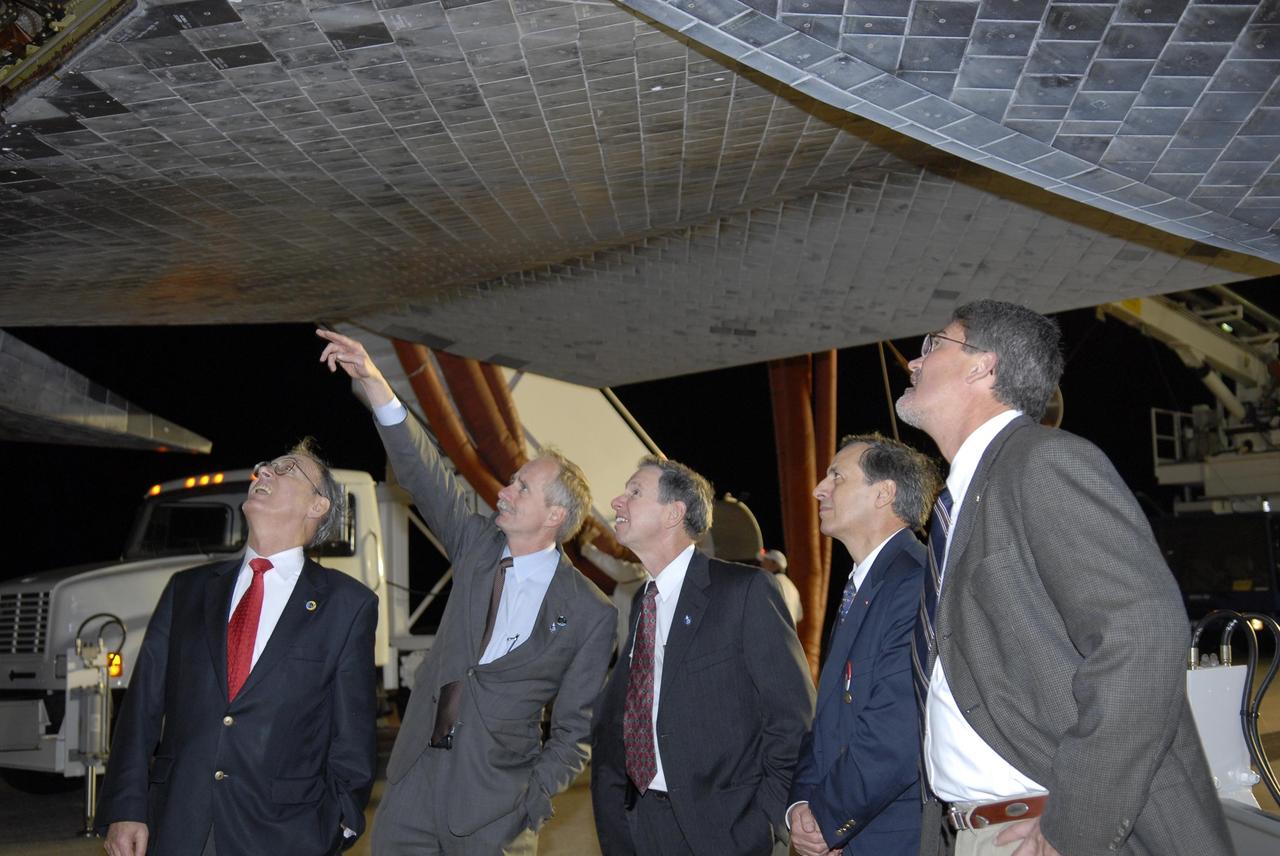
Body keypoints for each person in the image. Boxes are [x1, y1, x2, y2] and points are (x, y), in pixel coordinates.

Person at [897, 300, 1232, 856]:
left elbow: (1142, 636)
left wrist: (1074, 826)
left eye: (934, 345)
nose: (913, 361)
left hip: (1045, 832)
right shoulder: (964, 498)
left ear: (983, 366)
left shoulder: (1042, 463)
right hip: (980, 831)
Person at [317, 329, 616, 855]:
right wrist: (376, 384)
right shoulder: (477, 544)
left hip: (495, 809)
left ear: (555, 515)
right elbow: (426, 473)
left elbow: (576, 732)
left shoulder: (591, 612)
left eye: (522, 486)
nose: (504, 489)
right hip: (411, 787)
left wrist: (530, 799)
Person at [97, 441, 378, 856]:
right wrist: (126, 807)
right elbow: (141, 710)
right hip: (178, 824)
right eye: (265, 465)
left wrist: (339, 824)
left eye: (285, 470)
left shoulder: (347, 605)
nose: (263, 472)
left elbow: (352, 738)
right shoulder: (187, 590)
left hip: (285, 834)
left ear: (318, 506)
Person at [591, 456, 815, 856]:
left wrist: (766, 816)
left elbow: (791, 713)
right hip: (641, 823)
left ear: (674, 513)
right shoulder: (645, 599)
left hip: (723, 831)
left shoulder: (744, 592)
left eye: (635, 492)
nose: (617, 501)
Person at [788, 434, 939, 856]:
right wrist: (801, 802)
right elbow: (828, 717)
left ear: (884, 493)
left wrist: (826, 816)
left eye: (837, 476)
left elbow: (898, 728)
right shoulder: (866, 585)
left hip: (888, 837)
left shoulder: (916, 581)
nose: (820, 488)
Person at [760, 547, 804, 626]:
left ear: (774, 564)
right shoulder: (792, 587)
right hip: (790, 636)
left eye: (765, 561)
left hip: (774, 635)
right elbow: (799, 616)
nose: (761, 564)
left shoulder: (771, 583)